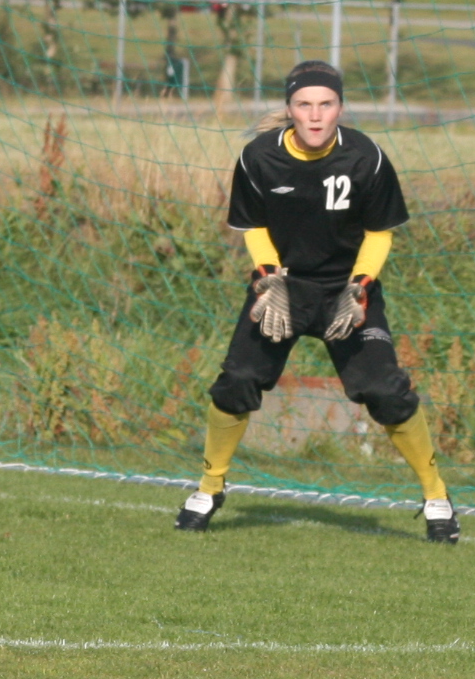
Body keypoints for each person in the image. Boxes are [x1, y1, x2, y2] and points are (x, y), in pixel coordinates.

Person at [176, 60, 457, 544]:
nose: (315, 115)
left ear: (340, 108)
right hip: (282, 288)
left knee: (385, 390)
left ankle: (437, 497)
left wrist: (360, 286)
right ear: (289, 108)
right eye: (304, 104)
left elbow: (379, 233)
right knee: (237, 381)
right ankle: (209, 487)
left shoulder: (366, 158)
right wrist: (268, 278)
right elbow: (253, 227)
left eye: (325, 104)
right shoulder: (258, 158)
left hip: (347, 292)